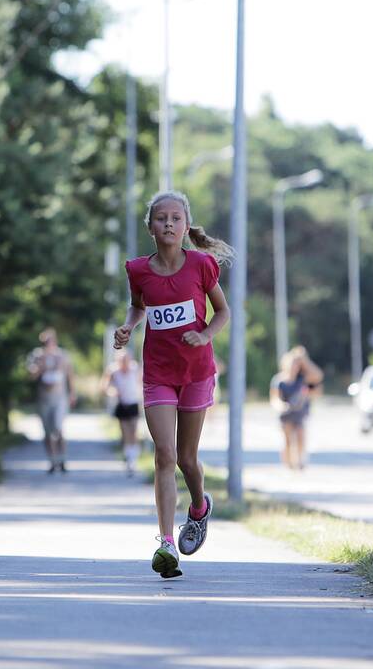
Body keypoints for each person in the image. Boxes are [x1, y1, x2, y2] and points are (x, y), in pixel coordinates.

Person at [114, 190, 232, 579]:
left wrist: (205, 336)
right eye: (161, 218)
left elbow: (223, 311)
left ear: (185, 226)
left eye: (175, 218)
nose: (168, 223)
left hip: (197, 373)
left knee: (186, 459)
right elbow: (138, 304)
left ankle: (198, 508)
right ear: (151, 227)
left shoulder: (200, 265)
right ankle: (166, 545)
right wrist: (129, 326)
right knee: (163, 455)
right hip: (159, 374)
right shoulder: (138, 270)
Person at [26, 328, 76, 474]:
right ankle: (52, 461)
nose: (48, 344)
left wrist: (72, 393)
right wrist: (40, 366)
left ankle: (62, 459)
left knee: (59, 428)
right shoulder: (36, 355)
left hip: (60, 398)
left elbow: (70, 375)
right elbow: (31, 376)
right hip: (43, 399)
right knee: (47, 431)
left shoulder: (63, 355)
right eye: (45, 342)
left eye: (51, 341)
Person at [270, 346, 324, 471]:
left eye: (296, 364)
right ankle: (288, 464)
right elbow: (274, 399)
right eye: (292, 364)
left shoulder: (303, 378)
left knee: (301, 435)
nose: (294, 367)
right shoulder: (279, 380)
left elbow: (319, 376)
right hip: (286, 413)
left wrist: (304, 359)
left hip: (300, 412)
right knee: (288, 440)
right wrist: (281, 406)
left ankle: (300, 461)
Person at [102, 349, 142, 476]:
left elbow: (142, 381)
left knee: (134, 431)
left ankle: (133, 459)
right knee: (125, 433)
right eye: (122, 360)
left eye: (126, 360)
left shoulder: (135, 368)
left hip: (133, 403)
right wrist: (112, 391)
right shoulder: (113, 370)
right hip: (121, 404)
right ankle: (128, 457)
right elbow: (105, 386)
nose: (124, 362)